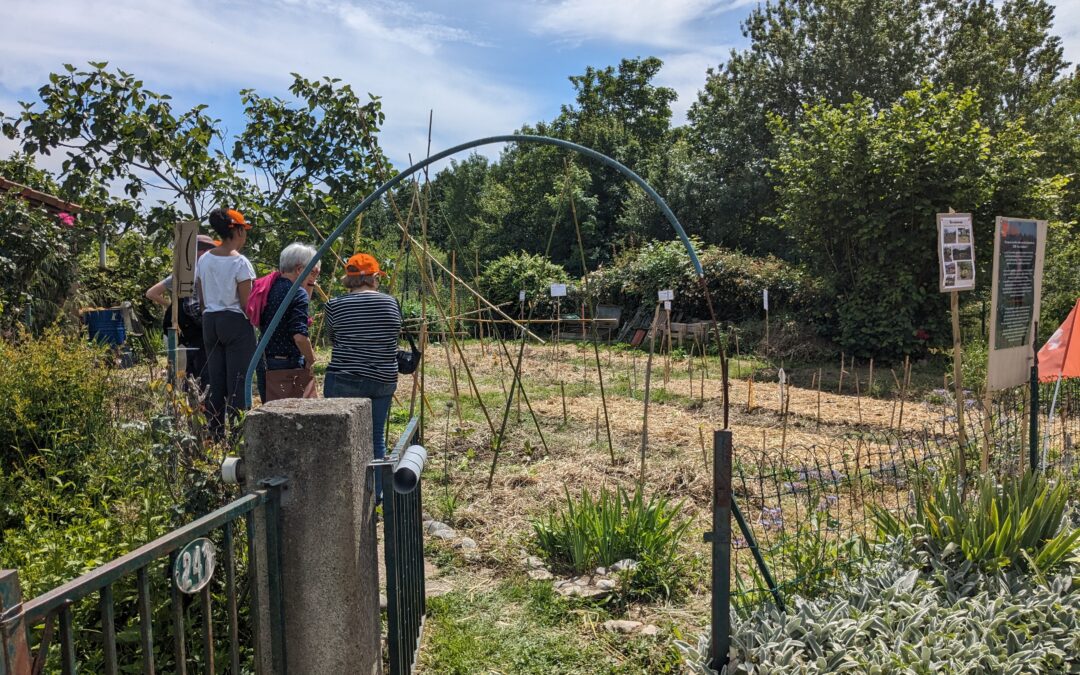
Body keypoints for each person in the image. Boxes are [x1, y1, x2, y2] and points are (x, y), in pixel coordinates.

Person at [323, 253, 401, 501]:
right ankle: (376, 494)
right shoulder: (391, 303)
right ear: (374, 277)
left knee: (341, 436)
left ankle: (345, 494)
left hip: (345, 378)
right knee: (376, 435)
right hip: (383, 378)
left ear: (349, 279)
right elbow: (394, 335)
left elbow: (332, 339)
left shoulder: (334, 305)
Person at [195, 209, 257, 441]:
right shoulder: (240, 262)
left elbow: (201, 296)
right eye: (244, 230)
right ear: (238, 231)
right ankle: (239, 437)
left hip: (210, 321)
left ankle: (215, 434)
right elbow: (247, 304)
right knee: (239, 382)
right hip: (235, 322)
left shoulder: (204, 259)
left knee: (216, 381)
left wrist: (210, 313)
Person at [146, 234, 217, 389]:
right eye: (208, 250)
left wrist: (172, 306)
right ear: (200, 252)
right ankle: (196, 397)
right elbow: (192, 308)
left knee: (188, 368)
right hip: (194, 328)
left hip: (182, 330)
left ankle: (188, 395)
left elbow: (151, 293)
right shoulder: (193, 273)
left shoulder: (181, 274)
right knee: (199, 368)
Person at [255, 243, 321, 401]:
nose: (314, 277)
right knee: (296, 414)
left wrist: (309, 283)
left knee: (270, 413)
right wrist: (311, 360)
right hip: (287, 366)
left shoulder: (269, 287)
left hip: (264, 360)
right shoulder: (297, 293)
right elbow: (299, 336)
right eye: (312, 272)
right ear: (299, 269)